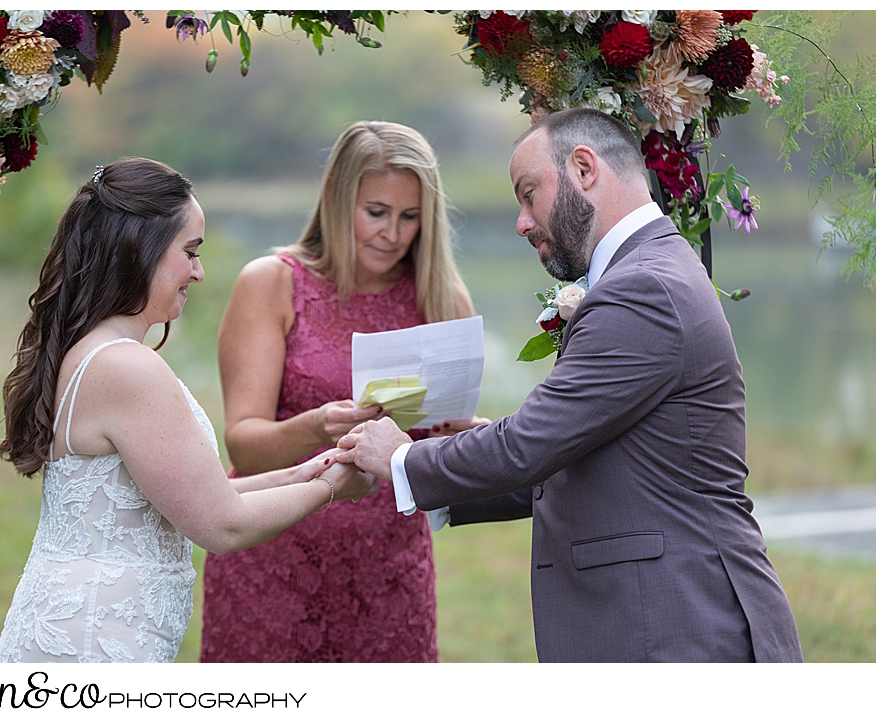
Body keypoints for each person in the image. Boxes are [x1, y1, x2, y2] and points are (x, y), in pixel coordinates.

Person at [338, 108, 804, 663]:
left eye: (529, 193)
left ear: (584, 168)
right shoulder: (652, 269)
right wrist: (433, 461)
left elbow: (527, 446)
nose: (522, 222)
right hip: (664, 620)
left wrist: (401, 461)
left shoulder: (642, 289)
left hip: (681, 626)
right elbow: (570, 453)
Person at [0, 158, 376, 663]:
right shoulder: (126, 368)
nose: (199, 272)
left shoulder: (96, 352)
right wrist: (331, 489)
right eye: (190, 252)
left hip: (89, 625)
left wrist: (304, 472)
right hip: (92, 642)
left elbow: (194, 495)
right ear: (140, 250)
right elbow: (221, 525)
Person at [198, 121, 484, 662]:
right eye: (376, 212)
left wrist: (461, 437)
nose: (393, 234)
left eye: (410, 217)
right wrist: (314, 425)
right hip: (275, 558)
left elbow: (443, 444)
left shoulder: (442, 296)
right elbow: (242, 446)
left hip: (389, 567)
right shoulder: (272, 282)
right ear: (336, 197)